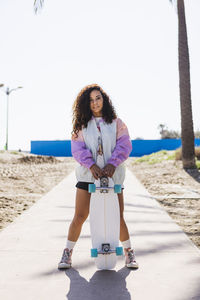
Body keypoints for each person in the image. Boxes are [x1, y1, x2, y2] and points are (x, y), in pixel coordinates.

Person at [58, 84, 138, 269]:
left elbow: (124, 146)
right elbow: (77, 150)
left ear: (104, 99)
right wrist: (91, 165)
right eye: (91, 100)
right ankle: (67, 253)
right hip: (88, 176)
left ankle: (129, 253)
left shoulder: (117, 123)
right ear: (86, 104)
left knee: (117, 216)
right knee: (79, 215)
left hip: (113, 177)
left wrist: (112, 163)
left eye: (98, 98)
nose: (95, 103)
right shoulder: (81, 126)